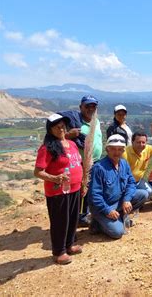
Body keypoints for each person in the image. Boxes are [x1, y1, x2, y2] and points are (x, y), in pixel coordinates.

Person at [34, 114, 83, 264]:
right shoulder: (47, 148)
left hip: (75, 188)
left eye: (63, 125)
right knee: (60, 221)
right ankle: (58, 251)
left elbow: (78, 164)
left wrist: (83, 183)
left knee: (72, 219)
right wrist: (55, 178)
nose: (61, 128)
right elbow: (38, 172)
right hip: (57, 191)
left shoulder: (71, 144)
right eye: (57, 126)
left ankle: (69, 245)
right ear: (50, 129)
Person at [88, 134, 148, 239]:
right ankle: (97, 222)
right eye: (113, 149)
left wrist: (127, 199)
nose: (117, 152)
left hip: (119, 201)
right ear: (107, 149)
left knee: (143, 194)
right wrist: (108, 211)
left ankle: (118, 216)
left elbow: (131, 183)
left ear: (123, 150)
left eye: (120, 149)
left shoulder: (124, 164)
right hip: (103, 207)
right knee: (118, 232)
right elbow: (94, 195)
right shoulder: (99, 168)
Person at [59, 95, 103, 227]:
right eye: (87, 106)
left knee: (90, 190)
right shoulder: (73, 124)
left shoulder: (97, 122)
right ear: (80, 107)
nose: (90, 109)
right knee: (77, 192)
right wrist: (68, 135)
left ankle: (85, 215)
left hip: (94, 161)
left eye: (93, 106)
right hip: (78, 164)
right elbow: (57, 139)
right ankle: (74, 218)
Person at [123, 132, 152, 200]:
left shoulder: (147, 149)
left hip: (138, 181)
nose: (141, 145)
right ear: (132, 142)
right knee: (139, 194)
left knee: (150, 192)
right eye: (138, 142)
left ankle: (138, 200)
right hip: (126, 183)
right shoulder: (125, 153)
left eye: (143, 142)